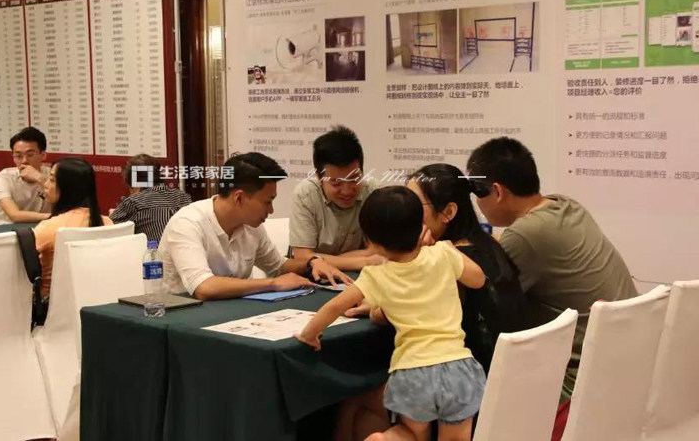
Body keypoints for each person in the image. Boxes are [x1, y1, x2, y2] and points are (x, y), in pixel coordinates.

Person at [297, 187, 487, 441]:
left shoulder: (376, 274)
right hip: (457, 366)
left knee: (411, 433)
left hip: (411, 371)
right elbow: (478, 280)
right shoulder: (443, 253)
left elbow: (335, 307)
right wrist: (449, 251)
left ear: (370, 241)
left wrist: (310, 334)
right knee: (456, 438)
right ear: (421, 227)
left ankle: (385, 439)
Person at [466, 137, 637, 400]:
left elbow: (482, 296)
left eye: (477, 194)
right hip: (627, 360)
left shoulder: (524, 235)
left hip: (579, 379)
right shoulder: (565, 205)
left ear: (497, 192)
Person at [159, 152, 352, 300]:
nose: (271, 210)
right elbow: (203, 287)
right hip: (180, 319)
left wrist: (312, 262)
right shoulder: (188, 223)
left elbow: (278, 267)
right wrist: (273, 284)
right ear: (239, 198)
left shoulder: (251, 226)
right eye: (267, 202)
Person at [406, 164, 527, 373]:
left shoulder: (447, 260)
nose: (405, 212)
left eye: (413, 205)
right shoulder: (487, 243)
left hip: (473, 380)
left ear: (448, 212)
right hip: (512, 372)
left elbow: (399, 315)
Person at [289, 125, 381, 272]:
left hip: (360, 274)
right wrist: (363, 261)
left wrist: (325, 259)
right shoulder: (305, 195)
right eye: (336, 183)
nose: (347, 191)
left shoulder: (372, 191)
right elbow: (303, 257)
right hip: (314, 275)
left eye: (354, 179)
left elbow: (379, 250)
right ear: (319, 178)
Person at [33, 158, 112, 300]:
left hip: (49, 304)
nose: (46, 184)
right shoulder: (107, 223)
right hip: (96, 300)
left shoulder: (49, 228)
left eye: (52, 180)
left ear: (68, 188)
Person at [110, 154, 191, 243]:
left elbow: (107, 229)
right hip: (188, 250)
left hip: (153, 251)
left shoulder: (133, 202)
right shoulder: (184, 198)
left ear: (135, 185)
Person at [0, 127, 52, 223]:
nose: (24, 161)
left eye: (30, 155)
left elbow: (68, 203)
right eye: (18, 156)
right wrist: (53, 217)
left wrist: (40, 178)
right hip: (9, 229)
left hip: (45, 227)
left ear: (43, 155)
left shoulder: (52, 174)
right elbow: (14, 215)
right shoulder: (3, 178)